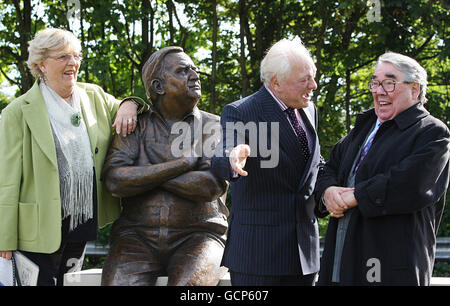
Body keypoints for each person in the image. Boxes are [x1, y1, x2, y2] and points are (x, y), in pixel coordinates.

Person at [0, 28, 147, 286]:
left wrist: (130, 104)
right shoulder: (17, 113)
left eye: (76, 56)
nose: (73, 63)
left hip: (79, 222)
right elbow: (7, 180)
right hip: (35, 229)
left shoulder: (94, 96)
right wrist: (4, 238)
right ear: (41, 64)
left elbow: (127, 105)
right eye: (63, 57)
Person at [315, 52, 450, 286]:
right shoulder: (363, 128)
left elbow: (410, 184)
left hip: (392, 269)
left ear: (415, 90)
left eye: (389, 83)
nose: (379, 91)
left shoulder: (432, 133)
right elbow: (328, 167)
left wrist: (356, 196)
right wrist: (328, 193)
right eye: (375, 83)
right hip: (341, 264)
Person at [100, 46, 229, 286]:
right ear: (158, 86)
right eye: (182, 71)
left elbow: (209, 186)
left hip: (199, 236)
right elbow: (115, 180)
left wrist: (145, 172)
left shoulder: (215, 126)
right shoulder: (134, 125)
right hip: (135, 237)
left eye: (194, 69)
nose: (194, 75)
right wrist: (184, 164)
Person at [211, 38, 322, 286]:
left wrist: (331, 190)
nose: (313, 85)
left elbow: (311, 166)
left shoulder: (310, 111)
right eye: (304, 79)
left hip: (305, 256)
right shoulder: (242, 111)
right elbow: (223, 153)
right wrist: (233, 156)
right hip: (258, 257)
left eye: (313, 77)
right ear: (276, 82)